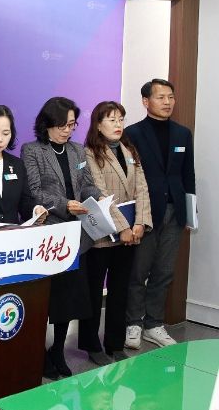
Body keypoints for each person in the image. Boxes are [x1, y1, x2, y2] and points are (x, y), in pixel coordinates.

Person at [21, 96, 102, 379]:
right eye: (63, 125)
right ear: (48, 124)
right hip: (49, 234)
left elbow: (87, 183)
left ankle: (58, 349)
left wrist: (97, 198)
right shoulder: (32, 150)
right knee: (48, 297)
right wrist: (65, 204)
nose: (68, 130)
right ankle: (39, 351)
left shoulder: (78, 151)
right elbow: (34, 191)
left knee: (70, 298)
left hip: (76, 235)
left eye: (72, 125)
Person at [77, 101, 152, 365]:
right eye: (111, 120)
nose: (118, 124)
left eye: (120, 119)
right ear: (98, 125)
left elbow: (142, 188)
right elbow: (100, 194)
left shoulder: (129, 150)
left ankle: (115, 343)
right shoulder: (89, 153)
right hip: (102, 235)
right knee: (94, 291)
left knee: (120, 291)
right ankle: (91, 345)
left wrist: (140, 223)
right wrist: (123, 228)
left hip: (130, 235)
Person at [124, 79, 195, 349]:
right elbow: (129, 178)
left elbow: (188, 174)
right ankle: (133, 323)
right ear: (146, 101)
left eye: (171, 97)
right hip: (145, 212)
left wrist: (190, 212)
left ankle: (154, 324)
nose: (167, 102)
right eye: (161, 97)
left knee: (164, 272)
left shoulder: (182, 134)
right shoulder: (132, 133)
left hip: (175, 211)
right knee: (138, 271)